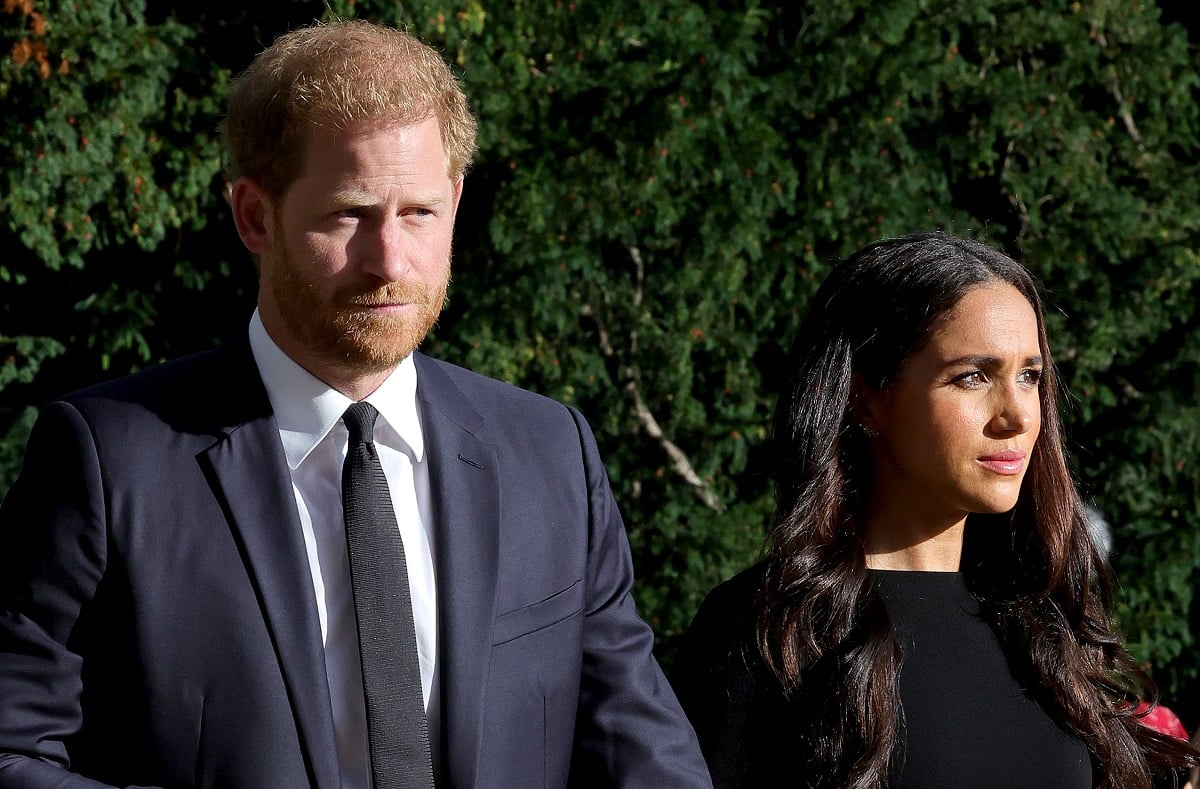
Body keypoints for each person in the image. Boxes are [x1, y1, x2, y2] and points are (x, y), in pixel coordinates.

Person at [0, 19, 711, 789]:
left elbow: (644, 757)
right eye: (349, 213)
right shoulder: (110, 460)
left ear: (457, 202)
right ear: (253, 216)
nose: (389, 261)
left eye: (419, 213)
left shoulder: (550, 454)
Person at [670, 232, 1199, 788]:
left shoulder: (1044, 620)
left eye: (1030, 376)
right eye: (973, 377)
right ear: (867, 396)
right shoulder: (770, 628)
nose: (1018, 414)